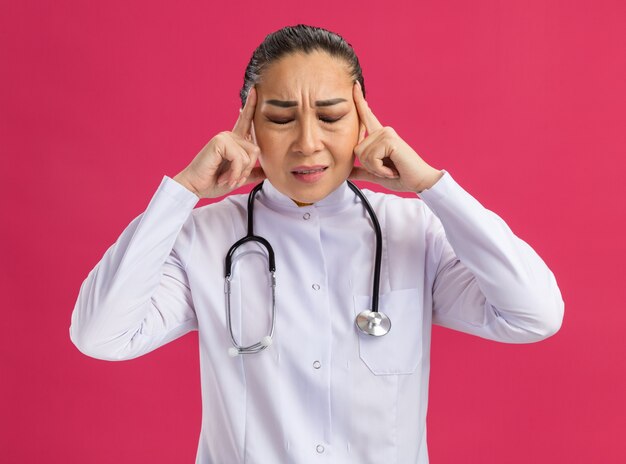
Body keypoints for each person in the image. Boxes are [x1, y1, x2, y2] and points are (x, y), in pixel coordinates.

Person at [70, 24, 564, 464]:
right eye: (281, 119)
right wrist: (182, 193)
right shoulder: (204, 236)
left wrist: (432, 186)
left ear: (364, 123)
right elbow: (101, 334)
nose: (307, 142)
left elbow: (534, 313)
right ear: (248, 126)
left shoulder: (416, 230)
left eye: (330, 116)